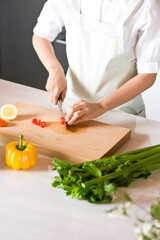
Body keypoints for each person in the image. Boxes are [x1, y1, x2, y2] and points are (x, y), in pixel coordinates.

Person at [32, 0, 160, 125]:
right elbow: (40, 36)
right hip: (71, 108)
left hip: (121, 114)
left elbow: (147, 76)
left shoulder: (148, 5)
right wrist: (54, 70)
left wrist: (101, 105)